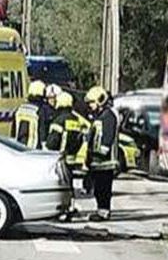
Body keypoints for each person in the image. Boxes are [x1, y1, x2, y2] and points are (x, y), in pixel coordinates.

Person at [46, 91, 88, 221]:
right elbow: (80, 139)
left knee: (57, 185)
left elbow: (52, 142)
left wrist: (48, 149)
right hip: (71, 158)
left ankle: (59, 210)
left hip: (59, 158)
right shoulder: (75, 120)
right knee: (69, 185)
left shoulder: (59, 120)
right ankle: (70, 208)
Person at [84, 86, 119, 221]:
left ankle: (103, 212)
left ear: (99, 100)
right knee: (98, 188)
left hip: (105, 162)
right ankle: (101, 210)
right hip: (98, 161)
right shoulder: (100, 116)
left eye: (91, 103)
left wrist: (99, 152)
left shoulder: (108, 116)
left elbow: (107, 139)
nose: (90, 106)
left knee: (103, 189)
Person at [11, 80, 52, 149]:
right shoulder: (41, 110)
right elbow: (43, 131)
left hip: (18, 148)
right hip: (35, 149)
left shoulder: (19, 109)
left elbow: (13, 131)